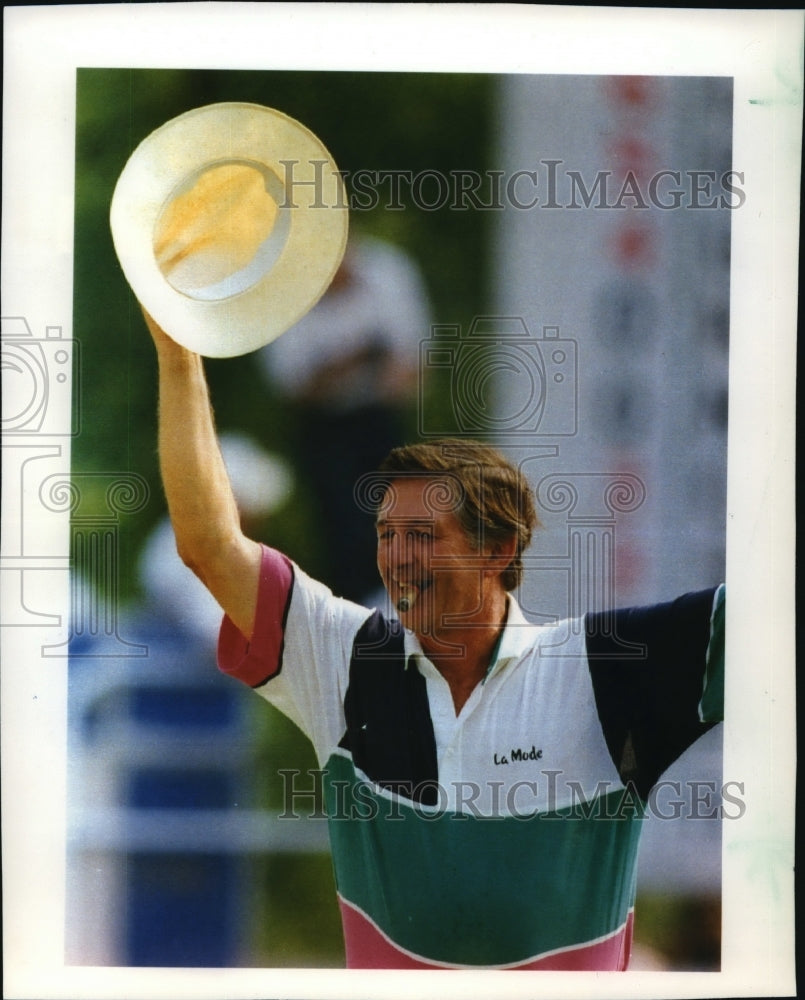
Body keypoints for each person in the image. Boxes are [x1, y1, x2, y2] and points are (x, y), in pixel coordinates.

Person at [143, 308, 725, 971]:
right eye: (386, 535)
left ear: (497, 550)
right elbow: (209, 546)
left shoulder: (602, 667)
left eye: (422, 535)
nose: (394, 558)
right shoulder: (345, 655)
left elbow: (764, 617)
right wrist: (177, 354)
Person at [256, 235, 431, 603]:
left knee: (395, 526)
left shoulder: (388, 271)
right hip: (324, 430)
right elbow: (294, 385)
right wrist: (361, 359)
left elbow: (412, 367)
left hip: (381, 421)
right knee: (342, 535)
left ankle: (399, 614)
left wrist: (344, 370)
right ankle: (358, 625)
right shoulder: (286, 287)